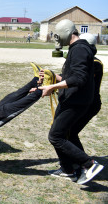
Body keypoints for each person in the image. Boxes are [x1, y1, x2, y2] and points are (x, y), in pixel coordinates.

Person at [39, 19, 104, 184]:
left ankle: (89, 165)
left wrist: (53, 85)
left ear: (66, 32)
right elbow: (70, 77)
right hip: (71, 99)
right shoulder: (76, 49)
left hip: (76, 101)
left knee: (56, 136)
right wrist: (51, 77)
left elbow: (79, 79)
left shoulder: (80, 49)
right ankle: (68, 169)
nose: (57, 39)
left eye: (58, 35)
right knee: (62, 134)